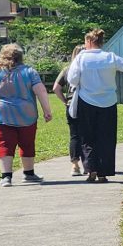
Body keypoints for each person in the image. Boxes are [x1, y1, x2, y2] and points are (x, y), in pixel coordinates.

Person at [65, 29, 123, 183]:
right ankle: (103, 173)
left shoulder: (81, 58)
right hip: (108, 102)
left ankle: (91, 171)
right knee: (106, 138)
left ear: (89, 41)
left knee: (87, 137)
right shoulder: (110, 57)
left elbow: (72, 80)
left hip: (86, 102)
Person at [0, 44, 53, 187]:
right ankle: (29, 174)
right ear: (20, 57)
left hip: (2, 114)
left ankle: (6, 177)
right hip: (27, 114)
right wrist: (47, 111)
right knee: (27, 142)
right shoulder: (29, 71)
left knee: (5, 143)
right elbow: (41, 90)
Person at [50, 44, 85, 176]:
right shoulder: (88, 69)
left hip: (71, 104)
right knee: (89, 134)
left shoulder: (67, 70)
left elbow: (56, 88)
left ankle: (75, 165)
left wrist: (65, 101)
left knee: (74, 135)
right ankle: (89, 164)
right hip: (88, 103)